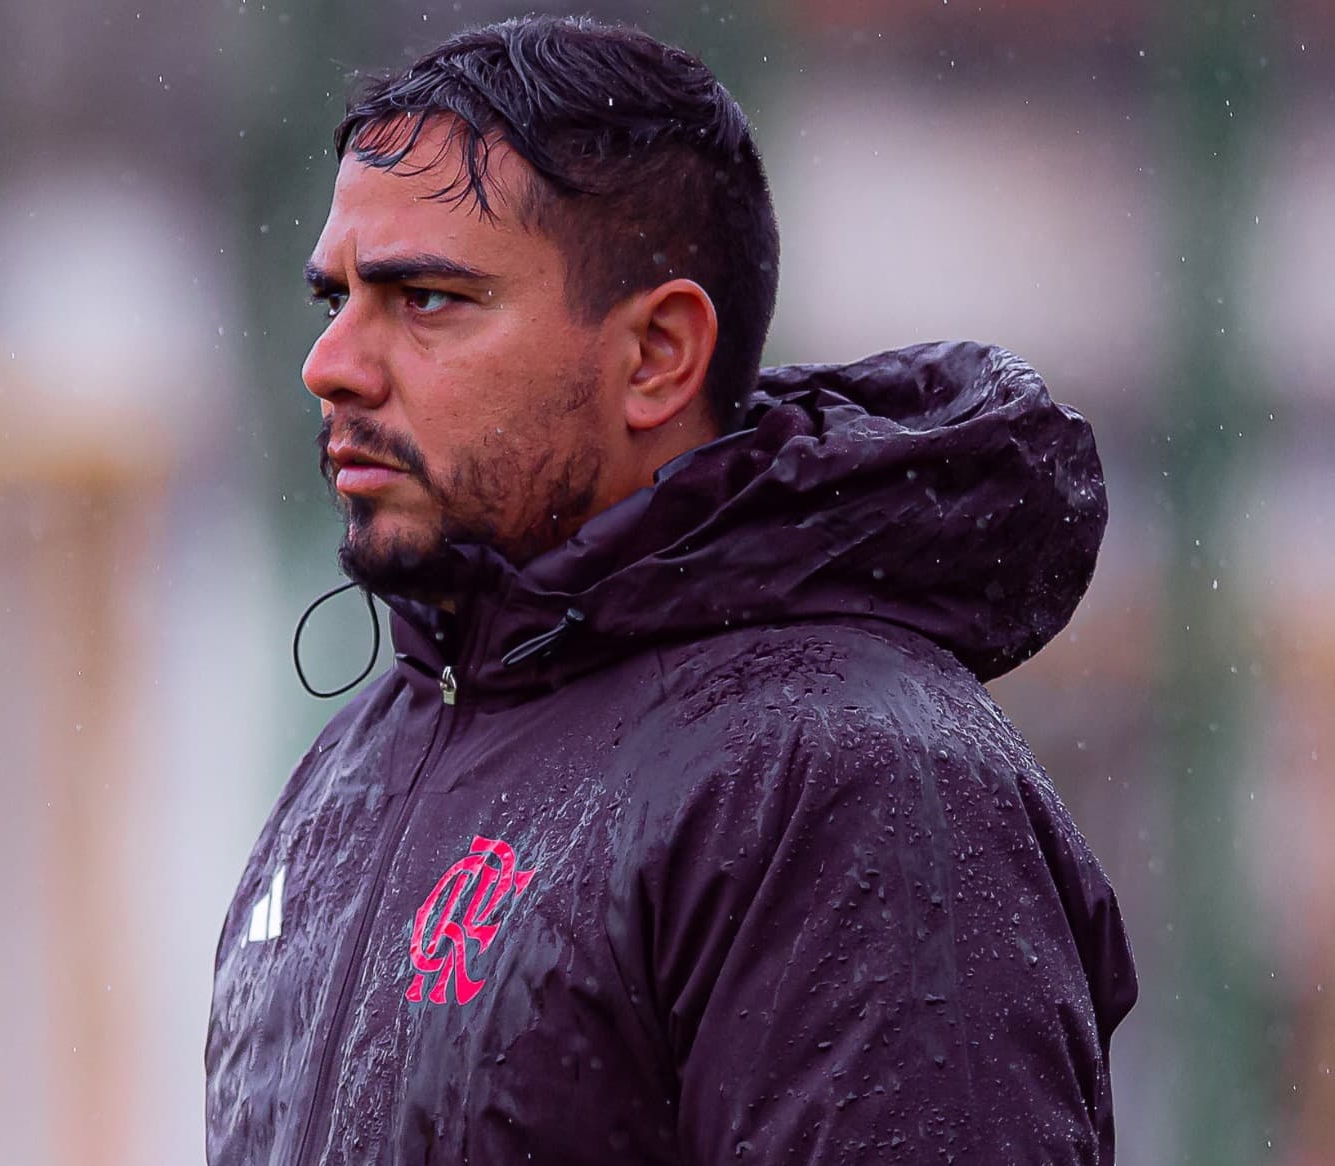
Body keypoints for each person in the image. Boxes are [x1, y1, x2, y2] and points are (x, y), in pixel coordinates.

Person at [205, 15, 1137, 1165]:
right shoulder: (363, 756)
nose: (331, 362)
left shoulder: (850, 781)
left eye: (425, 298)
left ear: (656, 356)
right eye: (332, 297)